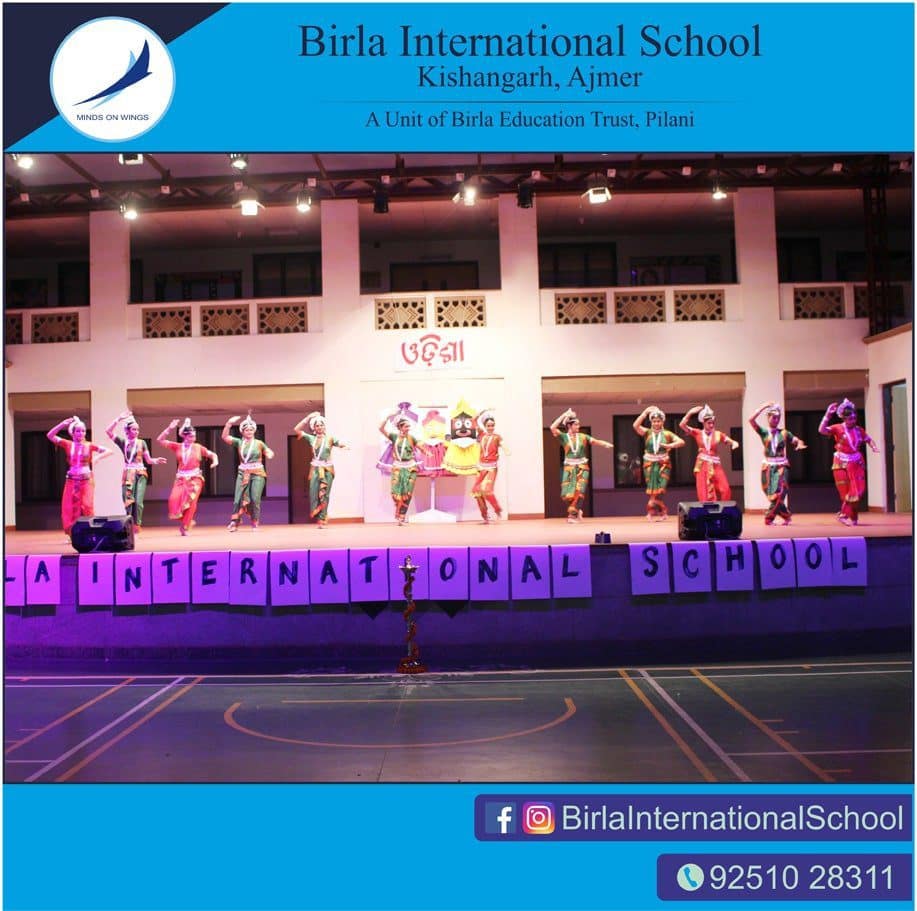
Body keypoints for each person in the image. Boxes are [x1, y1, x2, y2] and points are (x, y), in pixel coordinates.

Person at [46, 415, 112, 537]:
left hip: (86, 480)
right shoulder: (68, 444)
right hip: (72, 480)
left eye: (83, 431)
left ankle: (90, 531)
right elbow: (50, 435)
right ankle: (73, 533)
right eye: (78, 431)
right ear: (73, 432)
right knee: (70, 507)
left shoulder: (89, 445)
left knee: (87, 505)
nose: (81, 433)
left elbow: (109, 451)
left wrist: (98, 457)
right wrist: (62, 424)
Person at [818, 398, 879, 526]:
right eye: (850, 419)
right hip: (840, 462)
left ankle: (844, 515)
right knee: (846, 493)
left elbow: (868, 439)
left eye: (854, 418)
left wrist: (874, 447)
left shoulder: (859, 430)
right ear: (844, 418)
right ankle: (851, 516)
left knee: (858, 490)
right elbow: (822, 430)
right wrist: (828, 415)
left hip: (856, 462)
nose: (853, 421)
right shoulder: (837, 428)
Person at [106, 411, 166, 532]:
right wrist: (118, 419)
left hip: (140, 474)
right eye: (134, 429)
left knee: (138, 501)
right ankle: (128, 524)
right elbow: (108, 431)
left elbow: (148, 460)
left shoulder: (142, 443)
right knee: (128, 500)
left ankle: (136, 526)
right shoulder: (123, 442)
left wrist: (156, 461)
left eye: (137, 430)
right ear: (127, 431)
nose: (136, 432)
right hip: (128, 474)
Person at [549, 408, 613, 523]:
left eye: (578, 424)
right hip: (569, 467)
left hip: (582, 467)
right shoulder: (563, 437)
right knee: (566, 494)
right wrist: (564, 414)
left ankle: (572, 515)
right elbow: (553, 427)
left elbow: (595, 441)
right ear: (569, 426)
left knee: (580, 491)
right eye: (576, 424)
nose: (578, 426)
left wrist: (604, 444)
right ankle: (577, 511)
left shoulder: (583, 436)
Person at [157, 418, 219, 536]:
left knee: (192, 502)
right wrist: (169, 428)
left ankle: (185, 527)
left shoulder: (198, 447)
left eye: (194, 436)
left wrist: (215, 461)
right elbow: (160, 440)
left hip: (195, 478)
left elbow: (212, 454)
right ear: (184, 436)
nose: (193, 438)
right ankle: (186, 521)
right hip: (181, 478)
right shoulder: (177, 446)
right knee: (174, 499)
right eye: (191, 436)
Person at [748, 401, 806, 526]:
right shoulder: (763, 432)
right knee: (770, 493)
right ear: (768, 417)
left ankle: (769, 518)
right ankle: (786, 516)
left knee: (780, 492)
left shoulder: (784, 433)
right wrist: (763, 407)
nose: (776, 420)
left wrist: (799, 443)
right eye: (773, 417)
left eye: (778, 417)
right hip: (768, 466)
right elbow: (751, 420)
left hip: (781, 466)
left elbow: (796, 439)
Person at [293, 411, 347, 528]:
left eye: (321, 425)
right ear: (314, 428)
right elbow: (296, 429)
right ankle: (318, 516)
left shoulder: (330, 439)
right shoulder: (311, 438)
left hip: (327, 469)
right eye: (317, 425)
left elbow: (340, 443)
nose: (319, 427)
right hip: (315, 469)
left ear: (324, 426)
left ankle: (322, 519)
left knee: (325, 494)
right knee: (313, 493)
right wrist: (308, 417)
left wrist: (344, 445)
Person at [222, 414, 275, 531]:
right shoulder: (239, 442)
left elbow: (267, 450)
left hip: (257, 473)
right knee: (238, 498)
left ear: (254, 430)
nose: (249, 431)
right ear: (242, 432)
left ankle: (255, 522)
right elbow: (225, 437)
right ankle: (234, 522)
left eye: (251, 429)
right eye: (247, 430)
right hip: (243, 473)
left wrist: (269, 453)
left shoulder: (259, 443)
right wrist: (229, 424)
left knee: (255, 499)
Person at [679, 404, 740, 502]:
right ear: (703, 423)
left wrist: (734, 443)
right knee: (704, 492)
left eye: (712, 423)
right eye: (709, 423)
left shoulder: (718, 434)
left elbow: (729, 440)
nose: (711, 425)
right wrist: (690, 413)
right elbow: (682, 425)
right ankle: (707, 510)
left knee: (725, 489)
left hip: (715, 465)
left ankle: (724, 509)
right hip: (702, 465)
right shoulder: (698, 433)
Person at [632, 406, 684, 520]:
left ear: (662, 422)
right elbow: (635, 426)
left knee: (661, 489)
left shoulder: (667, 434)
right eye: (654, 421)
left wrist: (670, 445)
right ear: (651, 422)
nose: (656, 423)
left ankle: (651, 508)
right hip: (649, 463)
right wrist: (645, 413)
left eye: (658, 421)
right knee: (653, 490)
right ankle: (660, 512)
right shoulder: (647, 432)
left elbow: (681, 442)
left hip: (663, 463)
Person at [378, 411, 424, 525]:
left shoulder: (411, 438)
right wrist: (387, 417)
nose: (408, 428)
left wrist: (427, 452)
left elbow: (420, 447)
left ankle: (401, 518)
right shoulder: (394, 437)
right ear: (400, 427)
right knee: (396, 492)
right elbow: (381, 429)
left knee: (407, 492)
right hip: (398, 467)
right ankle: (398, 513)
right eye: (406, 426)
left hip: (411, 468)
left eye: (409, 426)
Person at [471, 409, 509, 523]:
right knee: (476, 492)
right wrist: (483, 411)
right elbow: (473, 420)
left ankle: (498, 510)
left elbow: (502, 444)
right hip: (481, 467)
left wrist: (506, 450)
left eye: (492, 425)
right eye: (488, 425)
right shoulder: (481, 434)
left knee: (487, 490)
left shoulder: (497, 437)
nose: (491, 427)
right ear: (485, 426)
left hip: (491, 467)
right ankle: (485, 516)